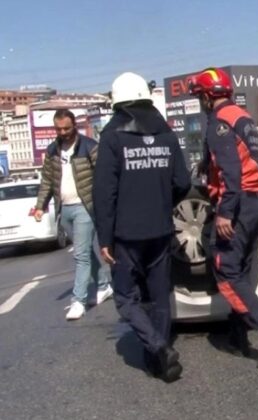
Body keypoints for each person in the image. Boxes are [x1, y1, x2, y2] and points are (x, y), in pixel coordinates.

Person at [188, 67, 258, 369]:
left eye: (200, 97)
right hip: (257, 201)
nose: (201, 103)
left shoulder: (218, 122)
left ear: (209, 97)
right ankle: (238, 331)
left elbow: (232, 172)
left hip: (237, 205)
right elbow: (244, 160)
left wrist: (224, 212)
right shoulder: (241, 116)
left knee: (227, 271)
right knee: (243, 269)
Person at [93, 72, 191, 382]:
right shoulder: (166, 133)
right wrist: (162, 204)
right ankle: (159, 360)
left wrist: (105, 237)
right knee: (160, 296)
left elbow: (104, 193)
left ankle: (159, 348)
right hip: (161, 230)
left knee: (125, 298)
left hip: (126, 234)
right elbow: (183, 182)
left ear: (117, 103)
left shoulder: (112, 136)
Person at [34, 109, 112, 321]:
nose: (63, 132)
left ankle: (78, 301)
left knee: (80, 255)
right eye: (59, 129)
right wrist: (41, 205)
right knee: (84, 251)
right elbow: (47, 181)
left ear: (74, 126)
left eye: (67, 128)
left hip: (85, 207)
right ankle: (104, 285)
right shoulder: (52, 151)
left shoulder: (89, 147)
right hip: (64, 208)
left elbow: (103, 177)